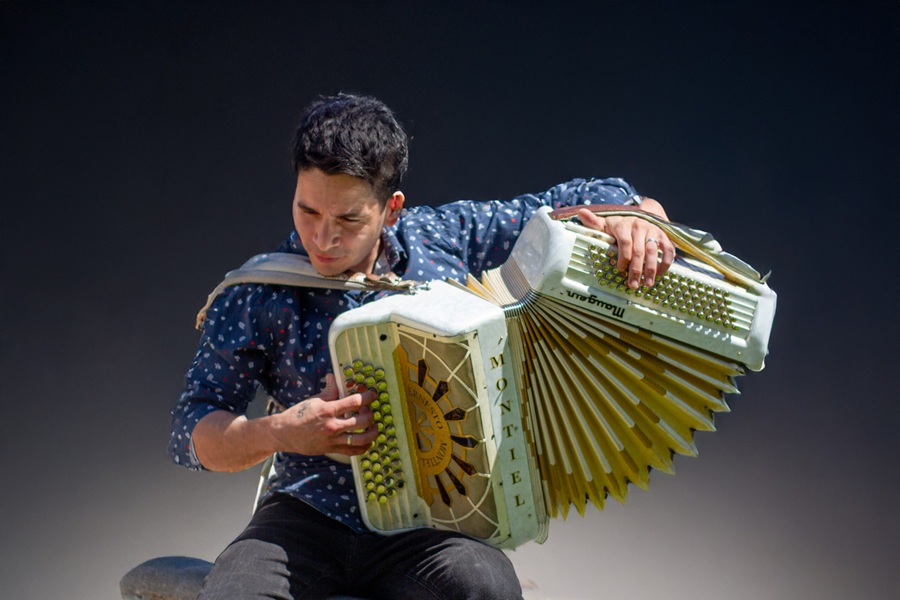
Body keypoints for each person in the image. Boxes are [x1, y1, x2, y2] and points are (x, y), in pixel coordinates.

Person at [169, 93, 675, 600]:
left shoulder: (443, 237)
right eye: (307, 209)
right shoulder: (260, 290)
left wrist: (637, 213)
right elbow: (192, 432)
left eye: (349, 219)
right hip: (305, 513)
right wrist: (281, 431)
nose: (322, 238)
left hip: (430, 524)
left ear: (391, 209)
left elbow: (590, 195)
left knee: (486, 589)